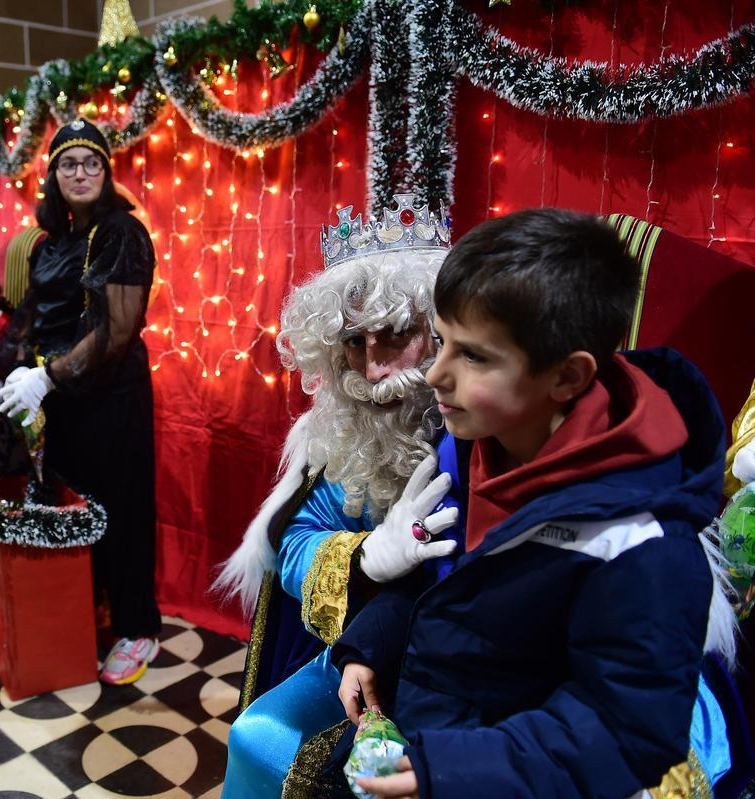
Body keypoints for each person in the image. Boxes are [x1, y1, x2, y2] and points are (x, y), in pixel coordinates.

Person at [334, 208, 737, 798]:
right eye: (442, 342)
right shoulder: (476, 443)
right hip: (434, 728)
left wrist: (445, 770)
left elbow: (622, 728)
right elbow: (449, 589)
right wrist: (371, 645)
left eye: (473, 356)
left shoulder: (640, 543)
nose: (436, 375)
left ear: (569, 378)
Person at [214, 197, 459, 797]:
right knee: (256, 737)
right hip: (363, 647)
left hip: (458, 661)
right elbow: (292, 540)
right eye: (354, 341)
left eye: (397, 333)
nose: (373, 369)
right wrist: (367, 556)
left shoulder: (488, 420)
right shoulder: (336, 431)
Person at [0, 117, 163, 685]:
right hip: (62, 397)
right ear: (53, 176)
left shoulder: (121, 232)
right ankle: (95, 612)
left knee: (121, 511)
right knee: (78, 508)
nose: (80, 173)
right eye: (68, 164)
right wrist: (10, 365)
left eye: (91, 164)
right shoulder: (52, 243)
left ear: (106, 175)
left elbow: (116, 332)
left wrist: (47, 377)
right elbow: (35, 316)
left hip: (111, 397)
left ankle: (139, 628)